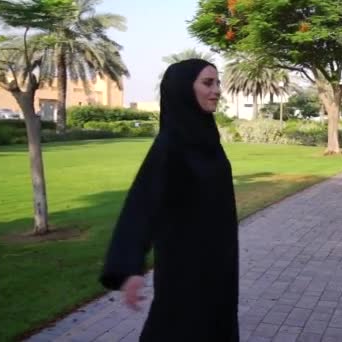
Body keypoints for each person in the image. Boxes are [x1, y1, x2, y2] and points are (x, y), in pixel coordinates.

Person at [99, 59, 239, 341]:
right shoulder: (171, 145)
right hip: (185, 269)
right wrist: (130, 267)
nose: (217, 90)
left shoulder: (207, 140)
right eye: (208, 83)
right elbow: (142, 204)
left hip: (219, 265)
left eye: (217, 82)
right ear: (182, 90)